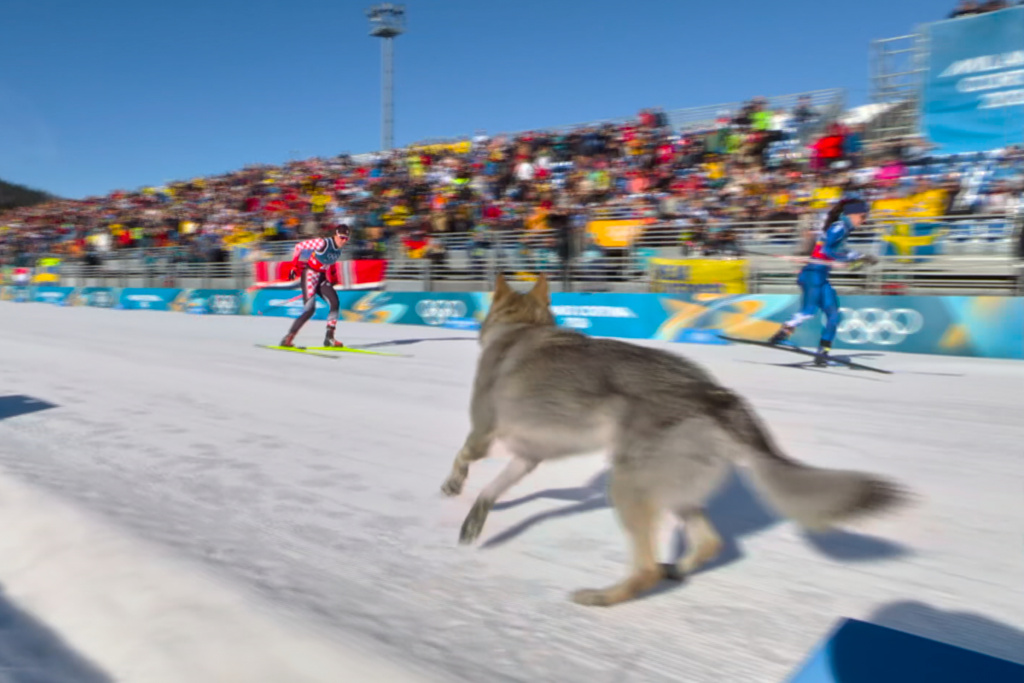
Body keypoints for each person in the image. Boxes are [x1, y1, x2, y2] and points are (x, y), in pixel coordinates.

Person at [768, 195, 878, 365]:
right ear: (851, 214)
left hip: (821, 275)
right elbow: (827, 250)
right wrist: (843, 259)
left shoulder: (844, 229)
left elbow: (838, 250)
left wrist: (860, 256)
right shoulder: (839, 227)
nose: (864, 221)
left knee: (833, 314)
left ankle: (823, 352)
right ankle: (781, 335)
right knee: (808, 311)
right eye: (862, 216)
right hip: (812, 274)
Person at [279, 221, 351, 348]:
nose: (344, 241)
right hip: (310, 275)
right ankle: (288, 338)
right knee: (310, 309)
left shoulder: (338, 251)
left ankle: (329, 338)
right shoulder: (323, 243)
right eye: (342, 238)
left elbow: (331, 262)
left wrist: (334, 277)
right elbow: (299, 246)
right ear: (336, 235)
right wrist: (294, 267)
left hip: (321, 278)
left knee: (335, 302)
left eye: (346, 239)